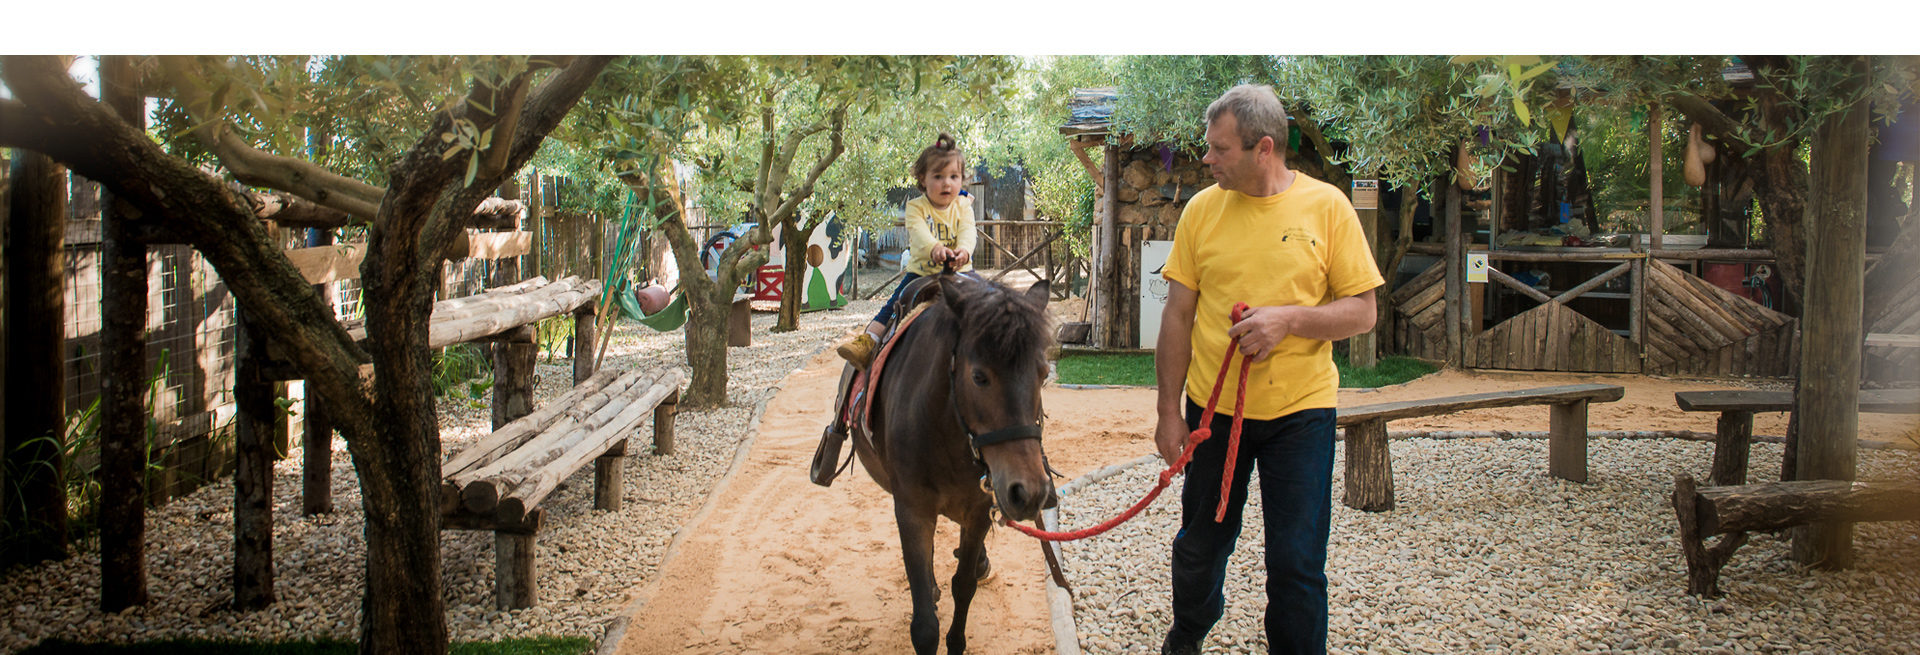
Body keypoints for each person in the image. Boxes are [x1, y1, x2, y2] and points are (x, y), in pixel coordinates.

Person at [1154, 85, 1383, 655]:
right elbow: (1178, 316)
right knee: (1201, 545)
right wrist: (1166, 413)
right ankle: (1186, 636)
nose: (1207, 159)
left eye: (1219, 149)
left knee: (1297, 562)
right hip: (1213, 414)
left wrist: (1289, 321)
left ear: (1263, 149)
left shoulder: (1328, 207)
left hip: (1300, 416)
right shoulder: (1201, 211)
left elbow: (1364, 312)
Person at [834, 132, 978, 368]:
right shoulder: (915, 207)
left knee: (989, 300)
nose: (947, 183)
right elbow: (919, 233)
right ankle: (868, 342)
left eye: (954, 176)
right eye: (938, 176)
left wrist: (964, 251)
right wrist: (934, 248)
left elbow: (968, 231)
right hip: (921, 273)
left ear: (962, 179)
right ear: (922, 179)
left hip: (962, 272)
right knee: (895, 303)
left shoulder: (963, 206)